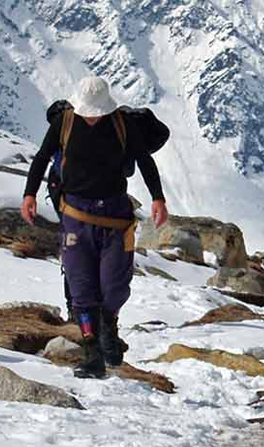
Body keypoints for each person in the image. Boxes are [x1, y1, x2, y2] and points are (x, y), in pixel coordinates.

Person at [21, 76, 168, 378]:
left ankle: (108, 325)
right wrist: (29, 193)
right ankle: (92, 354)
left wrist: (158, 198)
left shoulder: (121, 123)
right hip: (76, 214)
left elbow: (143, 160)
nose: (91, 116)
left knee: (114, 286)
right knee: (82, 288)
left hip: (115, 216)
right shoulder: (64, 122)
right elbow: (41, 157)